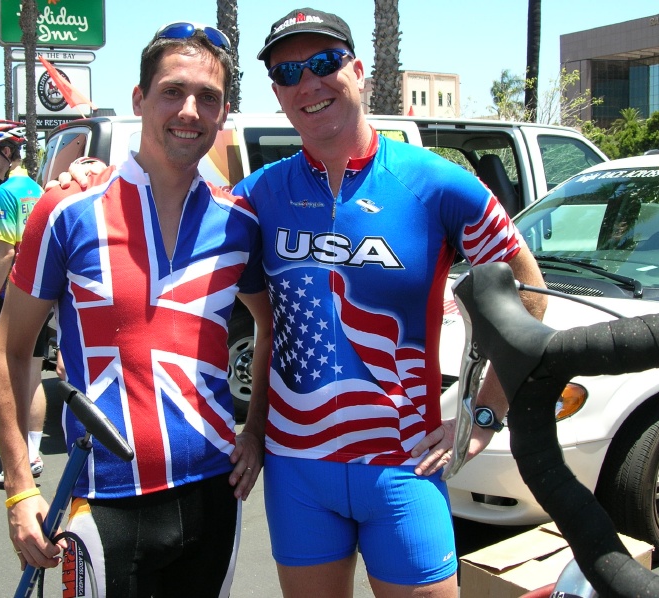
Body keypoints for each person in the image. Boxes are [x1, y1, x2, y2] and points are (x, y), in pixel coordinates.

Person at [228, 8, 548, 598]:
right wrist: (89, 180)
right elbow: (172, 213)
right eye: (288, 72)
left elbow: (529, 297)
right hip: (298, 471)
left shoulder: (436, 184)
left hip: (405, 466)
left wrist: (481, 417)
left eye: (324, 63)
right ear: (276, 93)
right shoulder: (257, 195)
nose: (308, 82)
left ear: (358, 72)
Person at [0, 22, 271, 597]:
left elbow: (268, 326)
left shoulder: (239, 224)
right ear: (139, 99)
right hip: (102, 500)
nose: (189, 110)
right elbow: (9, 351)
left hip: (213, 493)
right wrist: (19, 487)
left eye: (207, 97)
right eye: (172, 91)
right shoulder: (67, 210)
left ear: (223, 114)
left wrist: (256, 429)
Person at [0, 119, 48, 485]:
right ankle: (32, 455)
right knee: (32, 376)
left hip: (15, 296)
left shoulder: (6, 192)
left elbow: (5, 253)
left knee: (0, 375)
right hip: (41, 293)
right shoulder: (36, 188)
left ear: (5, 151)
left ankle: (16, 463)